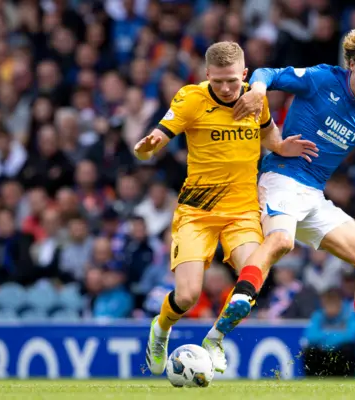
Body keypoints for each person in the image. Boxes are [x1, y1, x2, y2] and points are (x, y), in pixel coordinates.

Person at [222, 24, 355, 375]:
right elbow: (268, 72)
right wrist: (257, 89)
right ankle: (242, 295)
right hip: (280, 177)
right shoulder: (319, 79)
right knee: (282, 241)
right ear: (350, 66)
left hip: (313, 196)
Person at [134, 41, 319, 376]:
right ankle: (160, 330)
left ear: (244, 74)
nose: (225, 87)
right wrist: (148, 148)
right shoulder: (191, 98)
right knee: (188, 296)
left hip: (242, 210)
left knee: (252, 276)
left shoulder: (254, 99)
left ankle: (215, 339)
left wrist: (281, 146)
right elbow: (159, 136)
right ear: (207, 75)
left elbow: (268, 135)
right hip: (197, 211)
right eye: (218, 81)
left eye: (232, 80)